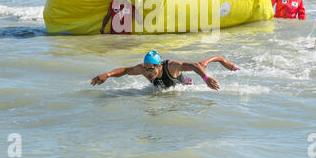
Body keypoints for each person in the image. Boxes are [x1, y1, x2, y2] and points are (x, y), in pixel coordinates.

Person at [91, 51, 240, 90]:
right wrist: (108, 75)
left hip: (186, 86)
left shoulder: (171, 66)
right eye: (146, 68)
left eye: (151, 69)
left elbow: (194, 66)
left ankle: (231, 65)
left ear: (159, 66)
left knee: (202, 64)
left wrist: (206, 79)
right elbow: (125, 70)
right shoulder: (144, 69)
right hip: (165, 89)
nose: (148, 73)